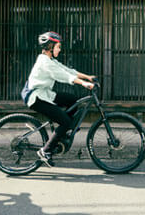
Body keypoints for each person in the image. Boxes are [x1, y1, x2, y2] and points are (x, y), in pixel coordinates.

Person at [26, 31, 95, 167]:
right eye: (58, 46)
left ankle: (63, 131)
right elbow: (64, 76)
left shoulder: (50, 60)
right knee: (65, 121)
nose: (60, 49)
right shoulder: (45, 62)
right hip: (37, 98)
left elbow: (68, 70)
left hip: (46, 94)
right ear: (50, 46)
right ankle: (45, 151)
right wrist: (83, 83)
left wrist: (88, 77)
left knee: (74, 100)